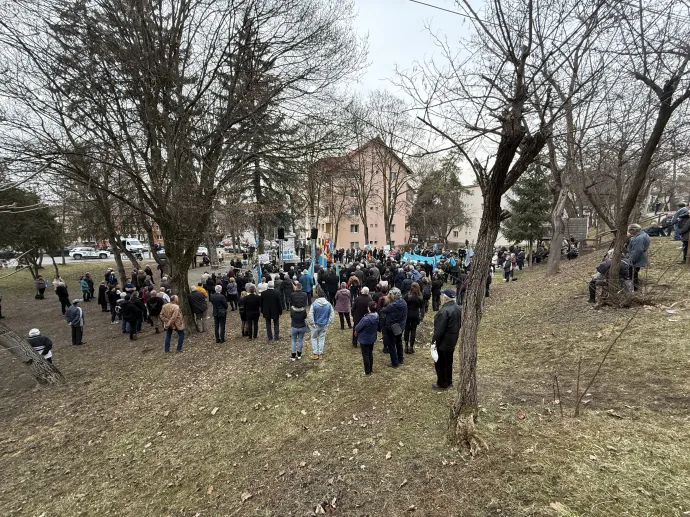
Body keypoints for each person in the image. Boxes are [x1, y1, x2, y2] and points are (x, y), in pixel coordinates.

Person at [431, 289, 461, 390]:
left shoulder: (444, 311)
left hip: (443, 342)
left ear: (445, 298)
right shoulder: (458, 308)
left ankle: (442, 383)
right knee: (449, 361)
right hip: (452, 339)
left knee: (441, 363)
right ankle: (449, 380)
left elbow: (439, 330)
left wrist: (434, 342)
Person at [381, 287, 407, 368]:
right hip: (401, 326)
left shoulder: (392, 306)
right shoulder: (404, 302)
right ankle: (400, 358)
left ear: (393, 296)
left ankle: (394, 362)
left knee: (391, 345)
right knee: (399, 342)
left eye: (390, 294)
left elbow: (383, 310)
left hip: (391, 327)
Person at [307, 287, 334, 360]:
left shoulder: (314, 304)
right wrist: (329, 322)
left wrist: (312, 323)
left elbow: (310, 314)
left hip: (315, 325)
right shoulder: (328, 304)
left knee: (314, 338)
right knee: (322, 339)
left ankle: (315, 353)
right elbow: (332, 314)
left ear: (318, 296)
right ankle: (320, 354)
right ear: (324, 296)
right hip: (324, 325)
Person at [354, 301, 379, 375]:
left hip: (364, 339)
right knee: (370, 353)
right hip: (372, 337)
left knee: (365, 354)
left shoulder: (365, 319)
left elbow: (357, 327)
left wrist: (356, 331)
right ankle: (370, 368)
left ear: (369, 308)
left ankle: (367, 371)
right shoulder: (377, 316)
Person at [626, 224, 650, 289]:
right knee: (635, 273)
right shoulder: (644, 234)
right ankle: (634, 286)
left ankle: (633, 288)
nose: (629, 233)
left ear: (634, 230)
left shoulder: (639, 238)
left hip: (637, 258)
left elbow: (637, 250)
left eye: (630, 231)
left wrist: (631, 260)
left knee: (632, 274)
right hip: (641, 257)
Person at [289, 282, 308, 360]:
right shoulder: (304, 295)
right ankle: (299, 354)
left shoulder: (292, 295)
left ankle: (293, 355)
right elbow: (305, 316)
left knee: (293, 340)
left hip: (294, 326)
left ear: (296, 287)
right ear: (301, 287)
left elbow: (291, 315)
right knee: (300, 340)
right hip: (302, 325)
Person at [403, 282, 424, 354]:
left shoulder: (407, 295)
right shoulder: (420, 296)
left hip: (408, 313)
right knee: (413, 331)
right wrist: (421, 316)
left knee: (407, 330)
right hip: (415, 313)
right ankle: (411, 347)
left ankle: (406, 346)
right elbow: (422, 306)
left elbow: (403, 302)